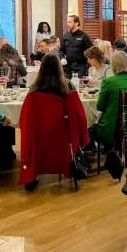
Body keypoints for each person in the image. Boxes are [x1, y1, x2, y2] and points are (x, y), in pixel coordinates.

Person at [19, 54, 89, 191]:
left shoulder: (34, 90)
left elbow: (26, 119)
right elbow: (78, 115)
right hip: (63, 137)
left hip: (40, 137)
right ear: (59, 68)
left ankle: (31, 178)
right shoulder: (68, 86)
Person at [95, 51, 127, 149]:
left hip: (114, 124)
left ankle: (105, 149)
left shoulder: (108, 81)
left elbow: (100, 106)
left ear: (113, 65)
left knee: (93, 122)